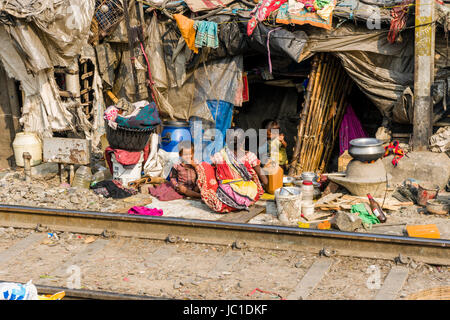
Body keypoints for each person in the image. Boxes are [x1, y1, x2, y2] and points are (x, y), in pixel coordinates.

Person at [194, 129, 268, 213]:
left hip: (226, 195)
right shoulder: (250, 156)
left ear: (226, 141)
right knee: (254, 183)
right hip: (248, 195)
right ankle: (243, 203)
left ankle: (230, 205)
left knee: (206, 166)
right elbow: (265, 181)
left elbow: (209, 171)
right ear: (243, 141)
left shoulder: (219, 156)